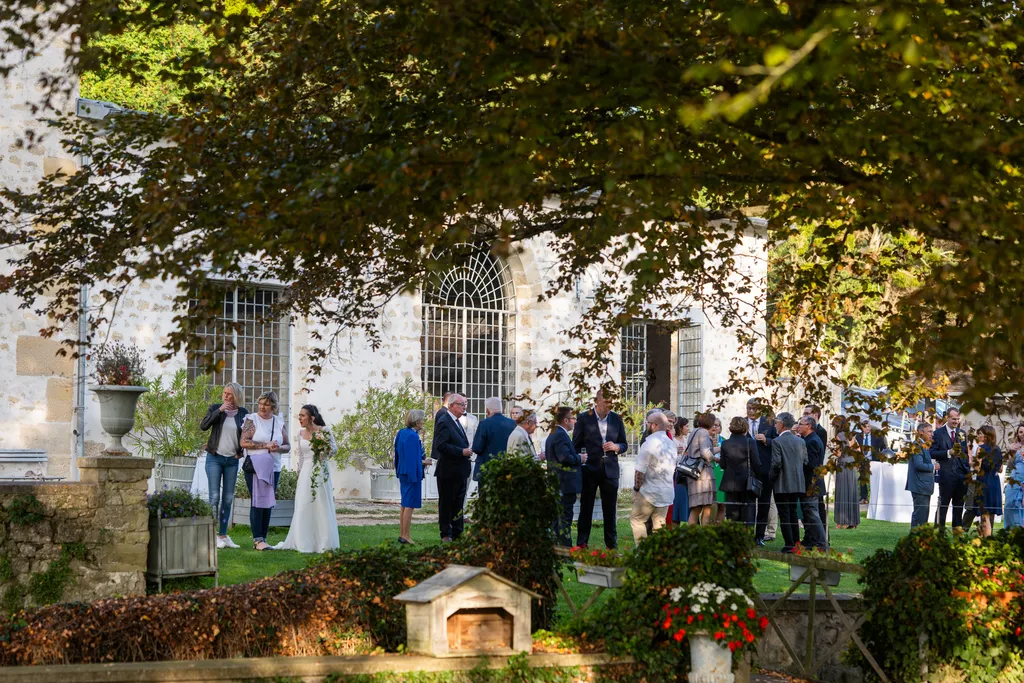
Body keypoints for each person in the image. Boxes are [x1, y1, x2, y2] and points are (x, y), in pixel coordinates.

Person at [274, 404, 339, 553]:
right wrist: (299, 473)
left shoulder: (325, 431)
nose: (299, 418)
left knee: (321, 504)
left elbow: (334, 450)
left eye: (303, 415)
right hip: (305, 473)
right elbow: (302, 456)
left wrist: (323, 445)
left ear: (312, 418)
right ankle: (303, 541)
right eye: (299, 415)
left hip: (321, 470)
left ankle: (324, 541)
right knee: (303, 504)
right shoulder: (300, 433)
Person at [572, 390, 629, 549]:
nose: (609, 406)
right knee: (586, 507)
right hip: (590, 469)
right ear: (597, 402)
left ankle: (612, 545)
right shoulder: (584, 418)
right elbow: (575, 444)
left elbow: (624, 444)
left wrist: (616, 446)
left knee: (610, 509)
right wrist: (582, 460)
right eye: (606, 403)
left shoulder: (616, 419)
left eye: (611, 403)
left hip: (610, 470)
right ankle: (582, 543)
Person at [199, 382, 248, 549]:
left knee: (227, 499)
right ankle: (212, 535)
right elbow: (203, 426)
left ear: (236, 396)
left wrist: (240, 452)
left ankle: (223, 534)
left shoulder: (243, 413)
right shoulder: (215, 408)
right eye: (225, 393)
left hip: (231, 461)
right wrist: (219, 411)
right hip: (214, 458)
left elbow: (247, 436)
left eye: (229, 394)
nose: (226, 396)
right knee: (214, 497)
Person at [240, 391, 290, 551]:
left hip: (273, 467)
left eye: (266, 404)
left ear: (273, 407)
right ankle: (257, 539)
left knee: (268, 502)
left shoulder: (279, 421)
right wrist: (265, 445)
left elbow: (287, 446)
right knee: (258, 501)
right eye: (261, 403)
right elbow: (243, 442)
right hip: (255, 466)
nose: (262, 406)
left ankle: (264, 538)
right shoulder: (251, 419)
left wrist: (278, 447)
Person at [630, 412, 676, 543]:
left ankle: (642, 552)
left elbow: (639, 471)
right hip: (666, 490)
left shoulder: (649, 443)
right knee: (659, 526)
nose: (647, 425)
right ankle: (657, 556)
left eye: (648, 423)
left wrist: (636, 488)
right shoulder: (671, 443)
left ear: (654, 425)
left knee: (637, 520)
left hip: (649, 491)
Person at [433, 393, 473, 542]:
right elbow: (441, 446)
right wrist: (461, 451)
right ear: (451, 405)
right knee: (447, 503)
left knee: (458, 503)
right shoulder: (444, 421)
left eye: (464, 404)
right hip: (448, 471)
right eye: (461, 404)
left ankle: (457, 532)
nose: (464, 407)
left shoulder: (456, 421)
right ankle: (445, 533)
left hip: (460, 470)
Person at [770, 412, 809, 553]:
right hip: (798, 482)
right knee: (793, 512)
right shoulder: (801, 441)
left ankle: (789, 544)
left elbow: (776, 463)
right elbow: (805, 461)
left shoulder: (777, 441)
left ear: (781, 424)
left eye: (776, 422)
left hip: (782, 482)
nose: (775, 425)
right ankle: (796, 542)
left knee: (785, 514)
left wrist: (771, 478)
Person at [394, 409, 432, 545]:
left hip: (403, 471)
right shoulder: (412, 436)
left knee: (405, 503)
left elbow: (397, 454)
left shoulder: (402, 433)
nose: (423, 422)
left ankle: (402, 534)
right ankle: (406, 535)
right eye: (422, 420)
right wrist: (425, 461)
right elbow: (412, 459)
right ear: (417, 422)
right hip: (411, 473)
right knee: (409, 504)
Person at [548, 407, 583, 546]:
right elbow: (565, 457)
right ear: (566, 420)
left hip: (558, 481)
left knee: (558, 518)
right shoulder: (560, 434)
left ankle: (557, 546)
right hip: (564, 482)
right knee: (565, 518)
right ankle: (565, 548)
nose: (575, 422)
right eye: (573, 419)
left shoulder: (553, 433)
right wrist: (580, 458)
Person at [930, 408, 969, 529]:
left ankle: (957, 534)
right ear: (947, 417)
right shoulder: (938, 433)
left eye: (957, 419)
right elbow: (932, 452)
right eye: (953, 419)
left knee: (958, 507)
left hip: (961, 476)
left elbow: (966, 454)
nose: (956, 421)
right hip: (946, 475)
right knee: (943, 506)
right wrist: (948, 452)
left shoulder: (962, 433)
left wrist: (966, 469)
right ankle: (940, 534)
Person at [718, 416, 760, 527]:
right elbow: (756, 463)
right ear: (745, 427)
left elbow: (722, 464)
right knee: (748, 513)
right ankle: (747, 539)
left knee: (732, 514)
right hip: (747, 482)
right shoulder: (750, 442)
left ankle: (734, 540)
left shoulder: (725, 443)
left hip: (730, 482)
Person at [748, 399, 778, 546]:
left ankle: (759, 535)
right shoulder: (742, 423)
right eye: (749, 408)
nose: (751, 411)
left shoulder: (769, 423)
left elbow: (778, 442)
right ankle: (747, 533)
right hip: (748, 470)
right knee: (748, 503)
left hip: (766, 470)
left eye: (754, 408)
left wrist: (767, 440)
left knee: (764, 503)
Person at [795, 415, 827, 548]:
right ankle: (810, 541)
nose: (798, 426)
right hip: (809, 484)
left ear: (808, 426)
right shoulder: (808, 439)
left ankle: (821, 543)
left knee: (812, 513)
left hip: (812, 484)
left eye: (800, 424)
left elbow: (812, 464)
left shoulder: (812, 441)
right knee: (808, 513)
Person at [471, 397, 517, 482]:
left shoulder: (484, 423)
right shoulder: (512, 423)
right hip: (507, 467)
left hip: (487, 468)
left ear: (487, 410)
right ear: (502, 409)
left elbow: (477, 448)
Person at [686, 412, 718, 526]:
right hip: (703, 474)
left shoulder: (694, 431)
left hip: (694, 474)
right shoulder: (704, 433)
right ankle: (704, 538)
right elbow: (706, 453)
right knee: (707, 508)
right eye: (713, 423)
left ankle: (692, 538)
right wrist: (715, 459)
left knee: (695, 509)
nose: (714, 426)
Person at [972, 425, 1003, 537]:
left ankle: (987, 540)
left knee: (984, 514)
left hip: (984, 481)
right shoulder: (998, 449)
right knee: (987, 513)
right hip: (995, 481)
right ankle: (982, 538)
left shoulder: (981, 448)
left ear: (987, 435)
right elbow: (1000, 469)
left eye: (981, 433)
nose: (979, 435)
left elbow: (977, 468)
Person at [906, 422, 937, 528]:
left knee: (923, 516)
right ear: (921, 432)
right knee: (920, 516)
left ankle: (920, 540)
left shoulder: (923, 445)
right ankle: (914, 540)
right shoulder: (917, 445)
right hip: (920, 487)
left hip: (923, 486)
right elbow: (919, 465)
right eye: (929, 431)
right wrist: (933, 466)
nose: (931, 434)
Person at [831, 415, 859, 529]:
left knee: (842, 491)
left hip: (843, 464)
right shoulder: (851, 435)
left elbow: (838, 453)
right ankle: (854, 521)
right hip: (852, 463)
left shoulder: (839, 436)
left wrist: (831, 448)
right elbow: (858, 450)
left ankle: (841, 521)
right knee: (851, 491)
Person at [855, 418, 888, 504]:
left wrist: (882, 457)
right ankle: (863, 498)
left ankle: (875, 498)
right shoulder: (858, 437)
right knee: (863, 479)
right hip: (863, 461)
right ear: (862, 427)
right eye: (866, 427)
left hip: (874, 460)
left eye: (869, 426)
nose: (868, 429)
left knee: (875, 479)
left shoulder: (877, 436)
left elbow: (883, 447)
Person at [1004, 424, 1024, 529]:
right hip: (1014, 480)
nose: (1023, 434)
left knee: (1021, 507)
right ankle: (1009, 532)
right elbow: (1010, 466)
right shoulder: (1014, 447)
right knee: (1009, 505)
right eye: (1020, 432)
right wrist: (1012, 453)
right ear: (1017, 434)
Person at [671, 417, 691, 526]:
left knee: (685, 502)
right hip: (676, 475)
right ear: (680, 427)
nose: (688, 428)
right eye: (686, 426)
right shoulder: (672, 441)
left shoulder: (686, 440)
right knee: (677, 504)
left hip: (686, 473)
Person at [710, 418, 727, 523]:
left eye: (717, 425)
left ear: (720, 428)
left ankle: (719, 528)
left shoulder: (725, 441)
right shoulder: (705, 440)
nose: (715, 427)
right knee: (711, 505)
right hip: (710, 474)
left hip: (722, 475)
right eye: (713, 425)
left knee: (722, 504)